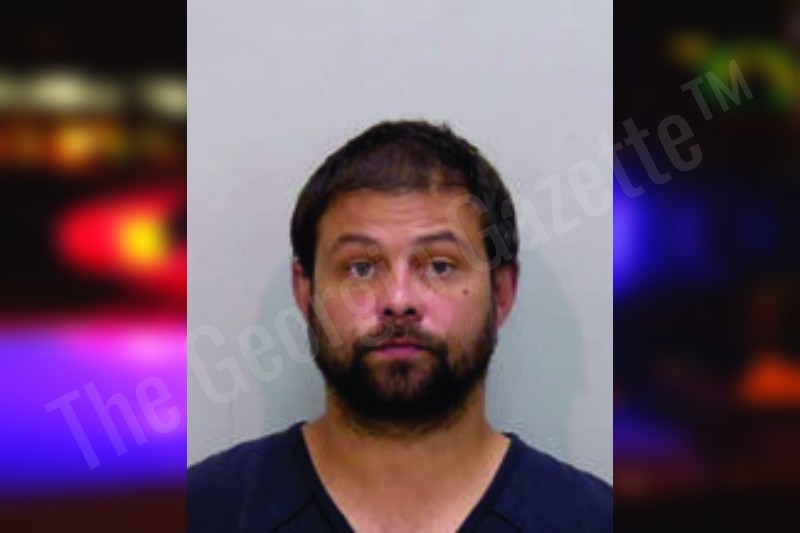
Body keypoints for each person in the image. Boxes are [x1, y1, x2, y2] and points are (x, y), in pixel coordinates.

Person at [188, 120, 612, 532]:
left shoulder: (594, 519)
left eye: (440, 266)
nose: (397, 301)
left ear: (501, 293)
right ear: (306, 293)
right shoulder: (203, 511)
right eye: (360, 268)